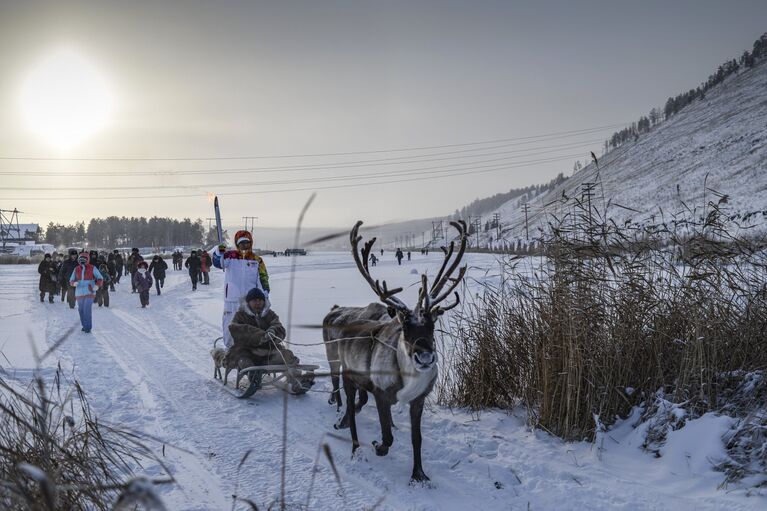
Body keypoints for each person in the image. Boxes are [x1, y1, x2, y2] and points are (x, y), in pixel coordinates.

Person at [212, 230, 270, 349]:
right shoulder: (230, 256)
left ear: (251, 243)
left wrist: (264, 294)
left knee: (250, 328)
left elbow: (263, 278)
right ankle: (230, 351)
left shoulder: (257, 260)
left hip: (250, 302)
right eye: (242, 243)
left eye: (247, 242)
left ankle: (248, 352)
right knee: (230, 326)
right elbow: (218, 263)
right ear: (237, 244)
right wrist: (219, 252)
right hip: (232, 300)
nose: (244, 245)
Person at [227, 288, 299, 381]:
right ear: (248, 302)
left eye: (260, 300)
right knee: (244, 361)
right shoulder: (240, 315)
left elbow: (279, 327)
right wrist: (261, 336)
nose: (258, 303)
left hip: (268, 352)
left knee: (287, 356)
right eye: (255, 300)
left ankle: (297, 381)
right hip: (247, 352)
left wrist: (273, 331)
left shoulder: (269, 314)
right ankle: (254, 378)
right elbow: (235, 328)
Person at [69, 252, 104, 333]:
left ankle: (88, 327)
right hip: (79, 292)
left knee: (87, 309)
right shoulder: (76, 269)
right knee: (81, 310)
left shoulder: (92, 268)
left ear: (88, 259)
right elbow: (71, 280)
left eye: (84, 259)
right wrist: (73, 283)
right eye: (81, 259)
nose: (82, 261)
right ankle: (84, 325)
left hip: (89, 292)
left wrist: (97, 285)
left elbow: (100, 278)